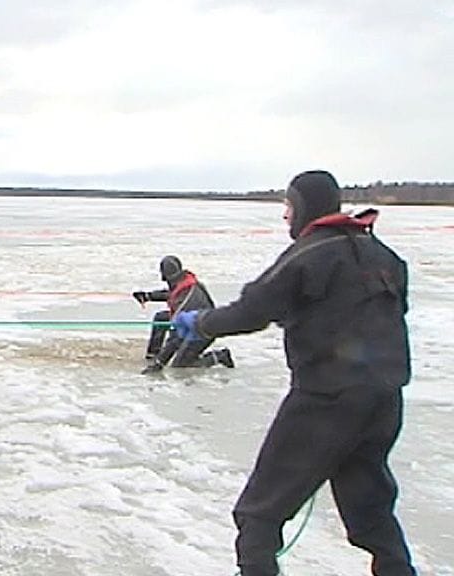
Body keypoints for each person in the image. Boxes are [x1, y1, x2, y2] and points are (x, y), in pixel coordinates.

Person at [173, 170, 417, 575]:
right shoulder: (385, 256)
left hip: (325, 400)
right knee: (371, 514)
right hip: (383, 401)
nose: (285, 215)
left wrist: (199, 323)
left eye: (288, 206)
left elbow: (252, 310)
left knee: (259, 514)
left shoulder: (309, 254)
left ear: (303, 207)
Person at [132, 255, 233, 375]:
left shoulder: (184, 302)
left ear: (164, 276)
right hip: (196, 320)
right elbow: (171, 294)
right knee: (161, 318)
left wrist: (159, 364)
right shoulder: (184, 283)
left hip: (203, 330)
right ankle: (152, 355)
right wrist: (148, 296)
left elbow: (175, 338)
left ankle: (220, 356)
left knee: (180, 366)